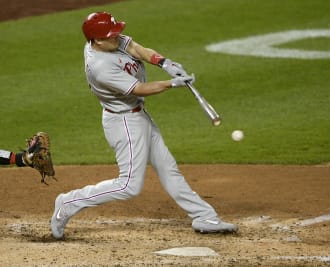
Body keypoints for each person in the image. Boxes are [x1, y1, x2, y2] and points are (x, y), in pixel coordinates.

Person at [50, 11, 238, 239]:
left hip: (139, 116)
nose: (118, 37)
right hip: (124, 123)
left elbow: (136, 49)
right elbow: (140, 89)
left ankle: (203, 216)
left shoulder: (108, 41)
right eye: (112, 35)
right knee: (128, 185)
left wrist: (164, 62)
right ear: (97, 40)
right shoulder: (100, 66)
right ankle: (68, 202)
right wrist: (172, 83)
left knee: (168, 168)